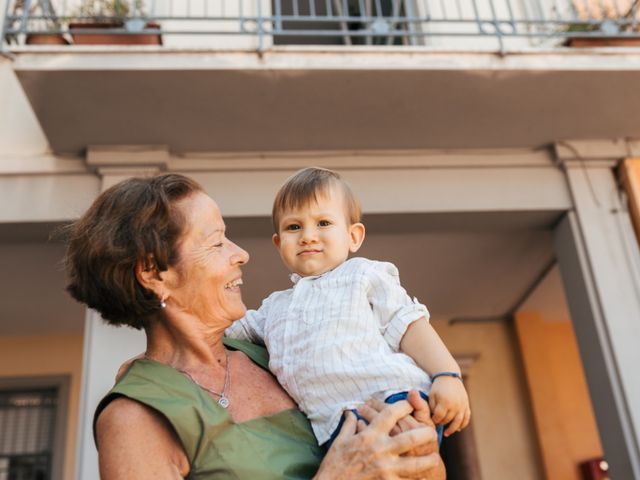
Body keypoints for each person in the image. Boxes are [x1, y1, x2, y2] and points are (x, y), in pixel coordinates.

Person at [63, 173, 446, 479]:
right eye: (216, 243)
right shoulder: (135, 418)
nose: (241, 254)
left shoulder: (278, 349)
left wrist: (420, 456)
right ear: (152, 272)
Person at [226, 167, 471, 447]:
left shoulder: (362, 276)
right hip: (333, 426)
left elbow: (408, 324)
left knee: (405, 467)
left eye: (323, 223)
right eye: (294, 227)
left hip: (393, 397)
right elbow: (229, 328)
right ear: (279, 243)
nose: (308, 235)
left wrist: (447, 374)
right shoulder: (274, 307)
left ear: (353, 237)